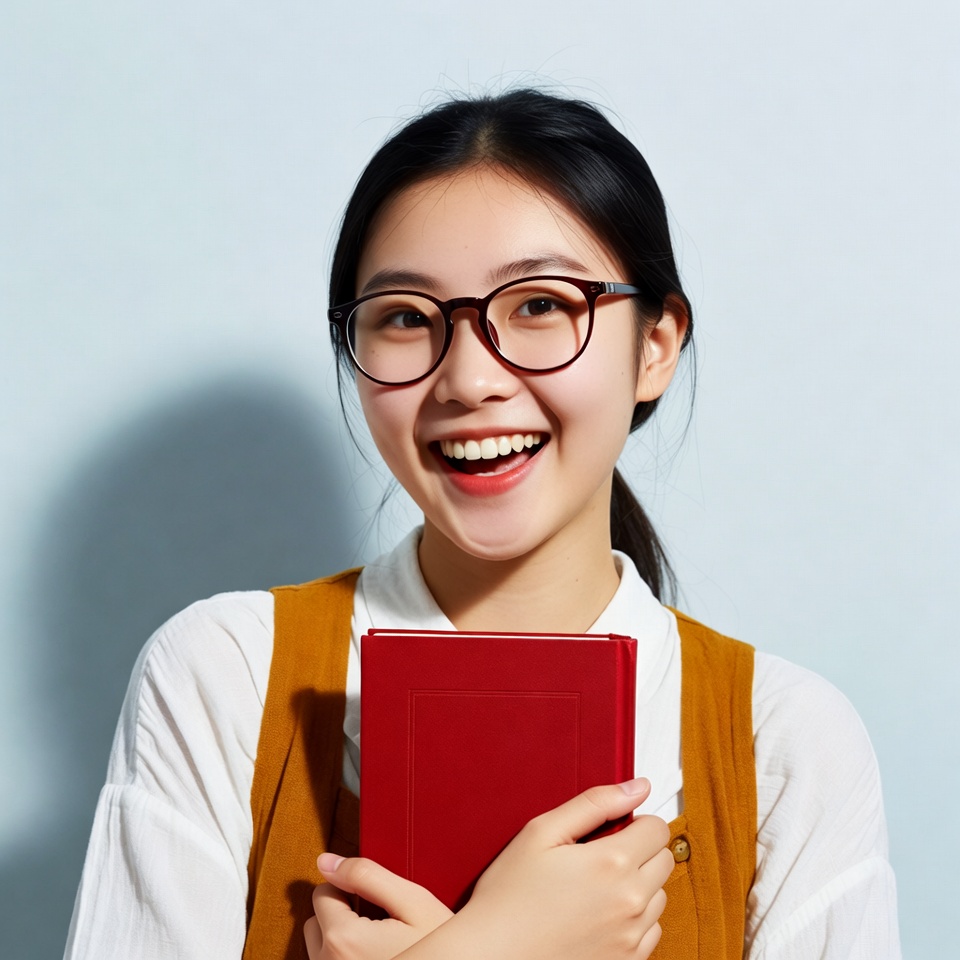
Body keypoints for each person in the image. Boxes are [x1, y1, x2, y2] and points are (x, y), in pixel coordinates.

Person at [64, 89, 900, 960]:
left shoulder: (786, 742)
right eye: (404, 317)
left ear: (655, 346)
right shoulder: (225, 675)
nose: (468, 379)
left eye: (539, 305)